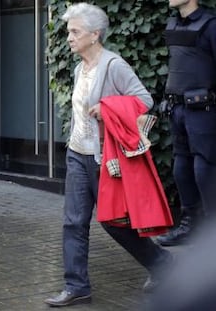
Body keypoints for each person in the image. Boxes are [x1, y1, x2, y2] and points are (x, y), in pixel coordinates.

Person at [44, 3, 173, 307]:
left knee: (114, 222)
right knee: (73, 222)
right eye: (68, 31)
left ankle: (162, 263)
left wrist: (107, 108)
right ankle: (76, 286)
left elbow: (144, 100)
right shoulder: (79, 68)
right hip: (77, 153)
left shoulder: (113, 65)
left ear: (95, 34)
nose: (69, 37)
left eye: (75, 32)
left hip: (106, 161)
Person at [155, 0, 216, 247]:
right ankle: (189, 226)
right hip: (177, 108)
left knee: (204, 170)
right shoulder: (173, 24)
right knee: (181, 169)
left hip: (204, 110)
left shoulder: (211, 25)